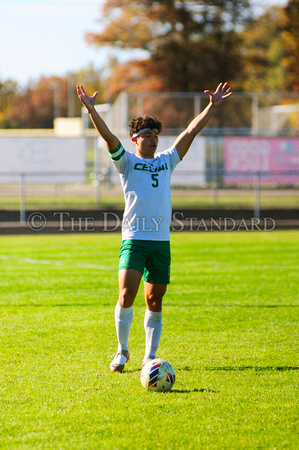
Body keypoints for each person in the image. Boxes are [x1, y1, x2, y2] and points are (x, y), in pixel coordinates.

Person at [76, 82, 232, 372]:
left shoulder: (167, 160)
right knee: (126, 294)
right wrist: (91, 110)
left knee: (154, 299)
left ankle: (150, 355)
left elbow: (190, 132)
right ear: (135, 139)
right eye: (147, 136)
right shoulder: (127, 162)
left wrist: (212, 105)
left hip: (161, 240)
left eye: (156, 136)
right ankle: (122, 351)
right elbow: (109, 137)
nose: (153, 140)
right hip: (134, 238)